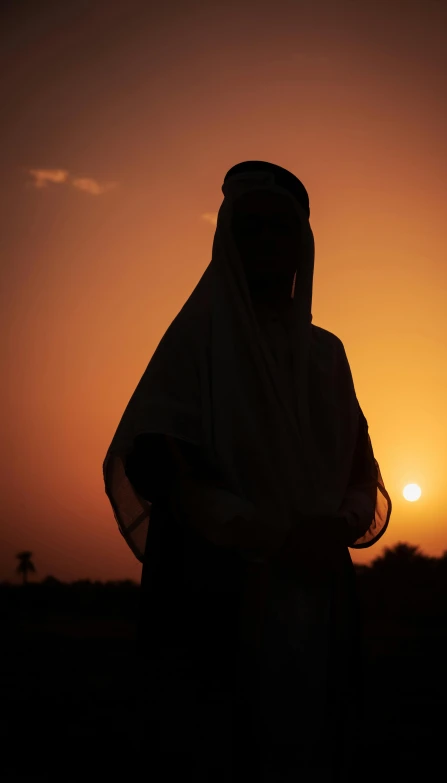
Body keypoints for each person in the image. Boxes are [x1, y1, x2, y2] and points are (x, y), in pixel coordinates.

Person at [103, 161, 391, 782]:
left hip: (319, 601)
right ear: (226, 240)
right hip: (217, 600)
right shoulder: (195, 344)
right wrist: (255, 532)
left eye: (278, 230)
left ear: (301, 245)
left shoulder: (326, 355)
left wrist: (331, 526)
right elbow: (157, 463)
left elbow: (362, 472)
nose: (265, 244)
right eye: (249, 229)